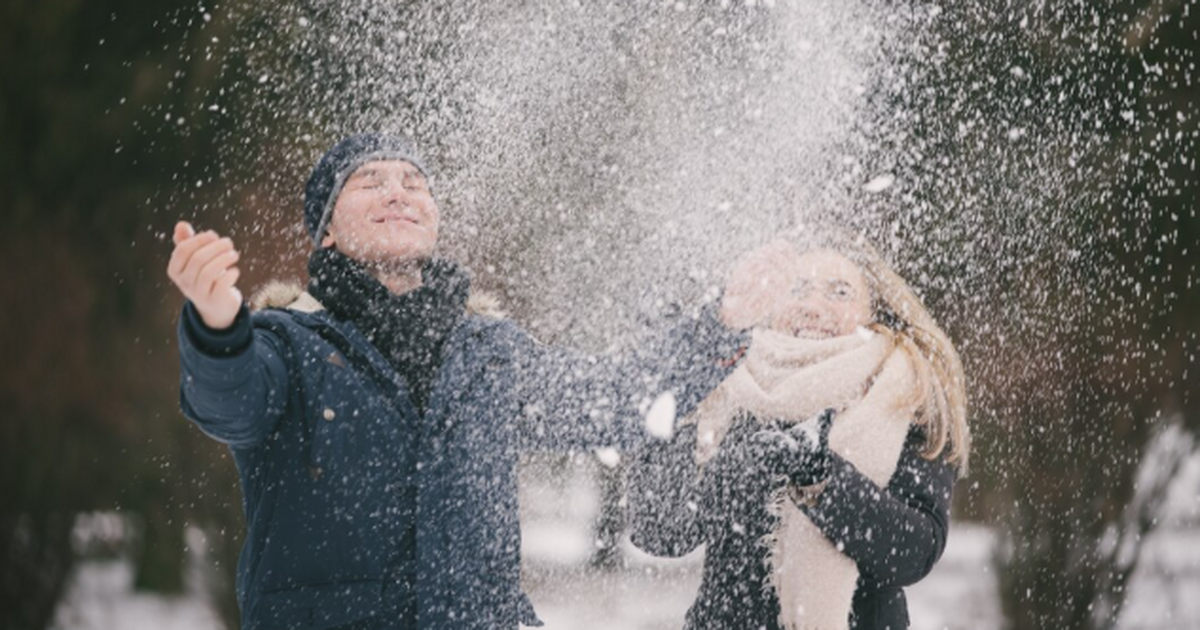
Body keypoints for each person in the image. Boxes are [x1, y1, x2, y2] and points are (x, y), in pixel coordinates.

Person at [167, 133, 754, 630]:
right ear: (326, 233)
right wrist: (218, 329)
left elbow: (621, 400)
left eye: (414, 182)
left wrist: (723, 323)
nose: (398, 191)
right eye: (370, 181)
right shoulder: (285, 344)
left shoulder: (489, 353)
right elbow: (228, 401)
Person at [627, 232, 970, 630]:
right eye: (798, 289)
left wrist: (823, 478)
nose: (812, 306)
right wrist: (672, 383)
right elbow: (662, 531)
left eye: (839, 293)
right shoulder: (731, 387)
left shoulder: (905, 395)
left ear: (874, 311)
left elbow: (914, 553)